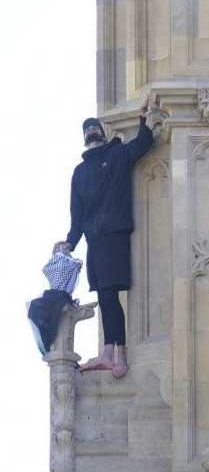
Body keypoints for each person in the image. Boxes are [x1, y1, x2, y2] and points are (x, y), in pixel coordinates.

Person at [53, 93, 158, 378]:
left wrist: (144, 116)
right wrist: (67, 244)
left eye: (93, 129)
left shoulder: (117, 154)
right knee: (104, 295)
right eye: (89, 130)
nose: (92, 133)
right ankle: (108, 352)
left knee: (110, 294)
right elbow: (77, 219)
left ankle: (117, 354)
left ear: (99, 133)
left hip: (113, 236)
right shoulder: (80, 172)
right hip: (95, 240)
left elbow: (144, 143)